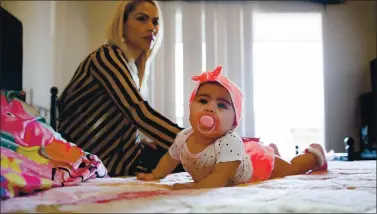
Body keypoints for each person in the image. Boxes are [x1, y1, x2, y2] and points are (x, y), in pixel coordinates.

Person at [137, 66, 328, 190]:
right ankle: (273, 150)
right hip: (240, 156)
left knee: (291, 169)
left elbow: (220, 178)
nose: (210, 107)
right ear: (190, 108)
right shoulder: (183, 137)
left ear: (233, 122)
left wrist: (192, 188)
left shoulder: (229, 141)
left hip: (254, 167)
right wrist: (155, 174)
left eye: (222, 105)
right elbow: (169, 160)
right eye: (203, 100)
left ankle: (313, 156)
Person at [57, 0, 184, 177]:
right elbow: (138, 112)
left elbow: (122, 123)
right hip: (89, 159)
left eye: (155, 22)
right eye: (141, 19)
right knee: (194, 158)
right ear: (122, 25)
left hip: (122, 158)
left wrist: (143, 142)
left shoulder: (130, 68)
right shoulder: (106, 57)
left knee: (194, 160)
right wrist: (194, 141)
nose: (151, 28)